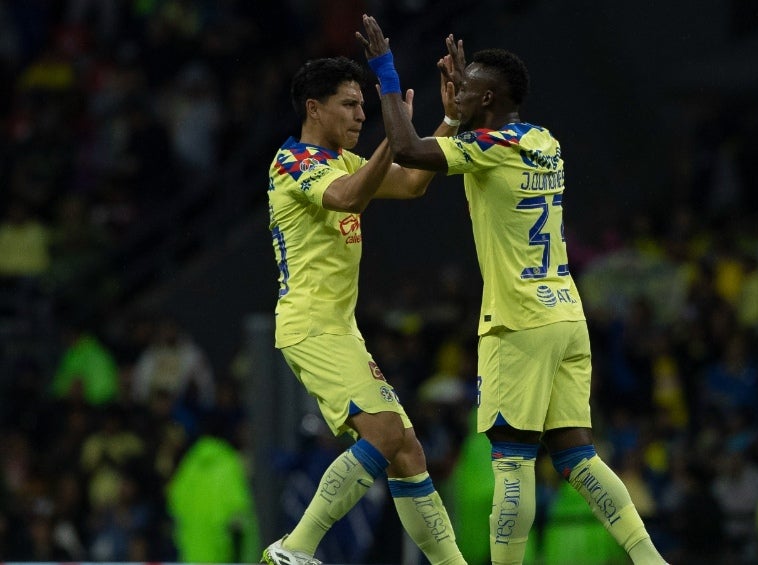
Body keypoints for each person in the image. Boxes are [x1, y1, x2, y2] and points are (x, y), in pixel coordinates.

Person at [357, 15, 668, 565]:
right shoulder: (545, 142)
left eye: (468, 86)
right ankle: (650, 561)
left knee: (512, 458)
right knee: (577, 456)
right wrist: (460, 112)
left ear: (492, 97)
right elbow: (464, 137)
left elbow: (406, 151)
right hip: (566, 316)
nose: (456, 90)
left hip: (518, 321)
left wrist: (385, 71)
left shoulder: (487, 147)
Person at [259, 55, 466, 565]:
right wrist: (393, 139)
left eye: (364, 105)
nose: (359, 115)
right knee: (385, 433)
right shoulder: (294, 164)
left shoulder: (345, 160)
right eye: (349, 105)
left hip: (340, 329)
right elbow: (349, 199)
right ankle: (294, 549)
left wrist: (451, 120)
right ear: (314, 108)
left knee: (407, 451)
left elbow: (414, 182)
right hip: (310, 325)